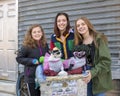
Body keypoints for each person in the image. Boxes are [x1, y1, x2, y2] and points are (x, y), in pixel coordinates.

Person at [74, 16, 112, 96]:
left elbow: (106, 62)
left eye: (83, 24)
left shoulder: (99, 39)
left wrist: (92, 73)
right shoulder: (79, 43)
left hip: (98, 79)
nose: (81, 27)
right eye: (78, 26)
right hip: (85, 79)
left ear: (88, 25)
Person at [16, 24, 49, 96]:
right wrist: (32, 61)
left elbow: (48, 55)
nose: (37, 34)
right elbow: (19, 58)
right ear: (31, 34)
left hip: (44, 75)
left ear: (42, 33)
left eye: (39, 31)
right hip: (32, 77)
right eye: (34, 32)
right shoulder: (26, 46)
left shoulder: (45, 44)